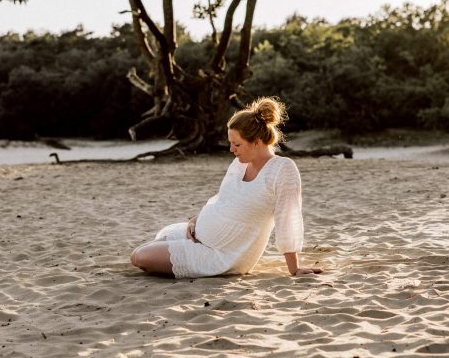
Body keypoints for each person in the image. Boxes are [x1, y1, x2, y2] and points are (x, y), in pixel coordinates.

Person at [130, 96, 324, 279]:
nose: (231, 150)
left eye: (236, 144)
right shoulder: (239, 164)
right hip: (198, 235)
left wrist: (294, 268)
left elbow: (287, 218)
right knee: (157, 240)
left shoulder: (282, 169)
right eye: (230, 143)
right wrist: (197, 220)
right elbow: (224, 199)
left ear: (256, 142)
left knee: (139, 257)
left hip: (221, 255)